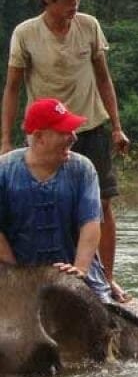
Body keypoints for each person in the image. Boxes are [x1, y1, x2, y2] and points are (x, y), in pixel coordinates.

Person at [2, 0, 130, 302]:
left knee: (101, 205)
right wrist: (4, 139)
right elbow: (13, 88)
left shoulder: (88, 26)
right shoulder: (26, 34)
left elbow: (104, 78)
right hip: (47, 131)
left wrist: (116, 127)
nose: (75, 3)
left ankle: (106, 278)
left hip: (89, 125)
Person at [0, 98, 113, 303]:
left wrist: (80, 270)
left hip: (75, 270)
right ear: (39, 137)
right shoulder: (4, 171)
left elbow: (90, 223)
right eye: (64, 132)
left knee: (106, 321)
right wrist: (16, 275)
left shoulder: (83, 169)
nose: (74, 137)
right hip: (15, 271)